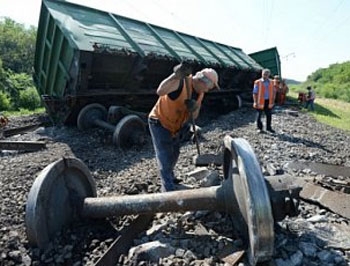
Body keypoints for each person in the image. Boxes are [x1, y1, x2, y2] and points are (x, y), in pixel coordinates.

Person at [148, 63, 220, 192]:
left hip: (175, 125)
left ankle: (171, 177)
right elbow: (160, 91)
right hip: (160, 121)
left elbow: (195, 116)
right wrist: (174, 76)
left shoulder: (200, 93)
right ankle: (168, 190)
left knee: (175, 153)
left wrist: (193, 109)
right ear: (202, 81)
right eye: (210, 86)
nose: (209, 90)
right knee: (164, 155)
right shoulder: (181, 82)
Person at [253, 68, 276, 133]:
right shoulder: (257, 82)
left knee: (269, 115)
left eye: (266, 74)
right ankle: (259, 128)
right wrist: (255, 102)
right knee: (259, 116)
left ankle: (268, 128)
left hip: (268, 102)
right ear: (262, 74)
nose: (265, 76)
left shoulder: (272, 82)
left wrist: (273, 101)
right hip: (259, 102)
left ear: (269, 75)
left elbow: (274, 92)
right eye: (264, 74)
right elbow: (254, 93)